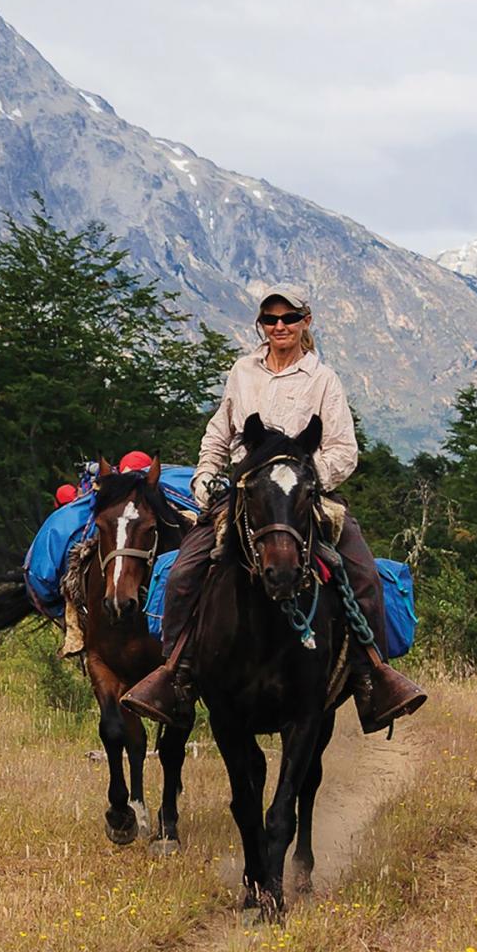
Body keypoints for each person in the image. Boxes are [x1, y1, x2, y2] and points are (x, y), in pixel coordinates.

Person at [122, 285, 426, 731]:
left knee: (361, 572)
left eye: (289, 318)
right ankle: (176, 673)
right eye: (271, 320)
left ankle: (370, 674)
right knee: (185, 570)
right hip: (247, 492)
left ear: (306, 322)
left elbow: (344, 449)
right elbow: (219, 432)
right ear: (261, 325)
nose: (279, 327)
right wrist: (206, 474)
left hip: (306, 492)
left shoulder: (323, 379)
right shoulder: (243, 372)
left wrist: (303, 479)